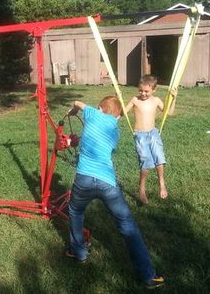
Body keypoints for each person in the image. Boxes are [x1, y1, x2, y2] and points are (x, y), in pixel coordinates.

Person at [66, 96, 165, 290]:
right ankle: (148, 276)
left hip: (84, 178)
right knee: (126, 224)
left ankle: (79, 252)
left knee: (76, 212)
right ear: (117, 114)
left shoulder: (94, 114)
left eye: (97, 108)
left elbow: (77, 102)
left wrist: (74, 110)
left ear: (100, 108)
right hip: (107, 182)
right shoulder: (115, 131)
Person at [125, 74, 177, 204]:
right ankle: (141, 189)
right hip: (140, 135)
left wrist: (174, 98)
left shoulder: (156, 100)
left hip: (153, 133)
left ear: (154, 90)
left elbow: (169, 113)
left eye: (146, 91)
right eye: (140, 90)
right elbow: (122, 112)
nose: (143, 93)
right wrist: (117, 98)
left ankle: (162, 183)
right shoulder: (135, 100)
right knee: (146, 162)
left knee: (159, 157)